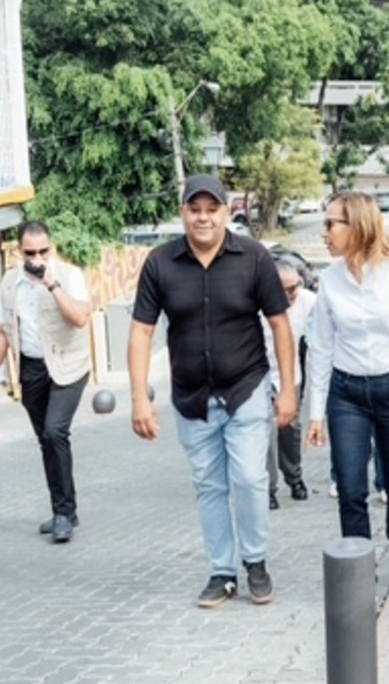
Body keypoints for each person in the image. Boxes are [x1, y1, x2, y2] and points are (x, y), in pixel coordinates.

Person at [128, 174, 298, 609]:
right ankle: (222, 573)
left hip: (246, 388)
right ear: (183, 212)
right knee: (209, 485)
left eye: (212, 209)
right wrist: (139, 398)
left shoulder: (255, 258)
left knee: (249, 478)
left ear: (227, 212)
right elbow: (142, 332)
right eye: (194, 209)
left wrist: (288, 390)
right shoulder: (160, 263)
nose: (203, 217)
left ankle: (256, 562)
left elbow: (280, 324)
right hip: (191, 397)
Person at [305, 192, 389, 582]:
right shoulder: (329, 279)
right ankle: (358, 561)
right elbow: (321, 347)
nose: (324, 232)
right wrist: (316, 413)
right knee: (350, 485)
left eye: (331, 224)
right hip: (347, 394)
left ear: (357, 226)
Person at [0, 221, 92, 544]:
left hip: (69, 365)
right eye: (31, 252)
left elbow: (81, 318)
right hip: (31, 369)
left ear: (51, 248)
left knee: (56, 430)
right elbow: (1, 331)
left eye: (44, 251)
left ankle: (61, 514)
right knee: (47, 440)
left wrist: (52, 286)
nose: (38, 258)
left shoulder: (70, 276)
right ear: (19, 252)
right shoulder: (9, 283)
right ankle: (66, 510)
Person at [265, 261, 318, 509]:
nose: (290, 295)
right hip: (262, 377)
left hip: (290, 375)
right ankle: (268, 488)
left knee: (290, 430)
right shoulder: (259, 301)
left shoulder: (308, 300)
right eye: (284, 290)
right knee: (266, 434)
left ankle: (294, 476)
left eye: (294, 287)